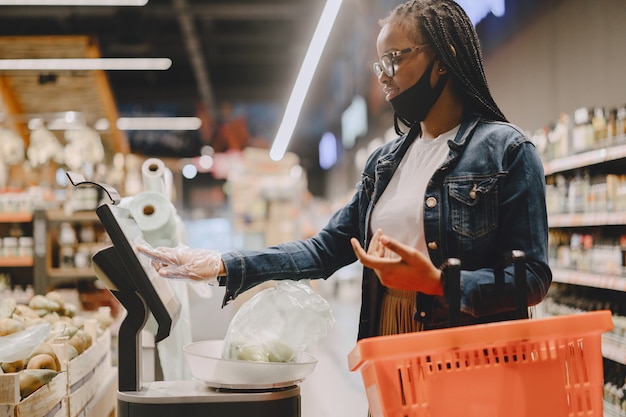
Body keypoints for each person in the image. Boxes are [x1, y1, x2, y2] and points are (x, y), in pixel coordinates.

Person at [137, 0, 552, 340]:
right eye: (379, 64)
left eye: (394, 59)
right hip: (388, 333)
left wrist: (441, 282)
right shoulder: (385, 164)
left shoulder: (508, 151)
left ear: (444, 59)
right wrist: (224, 262)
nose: (384, 77)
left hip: (468, 345)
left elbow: (532, 279)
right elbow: (324, 250)